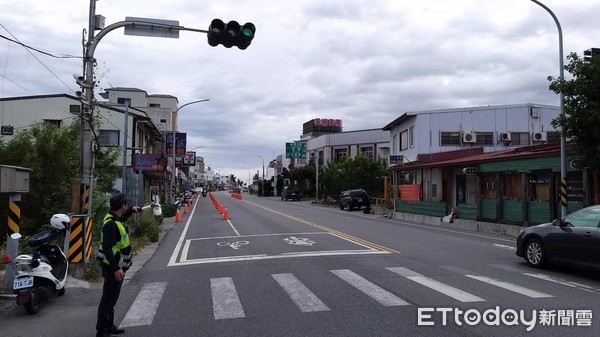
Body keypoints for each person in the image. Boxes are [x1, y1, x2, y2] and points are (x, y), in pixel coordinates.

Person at [95, 193, 141, 337]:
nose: (127, 205)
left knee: (112, 299)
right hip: (113, 267)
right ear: (122, 206)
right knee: (107, 300)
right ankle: (102, 331)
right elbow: (108, 248)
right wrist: (116, 269)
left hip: (118, 266)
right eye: (127, 204)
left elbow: (121, 220)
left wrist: (132, 210)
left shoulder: (114, 219)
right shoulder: (110, 224)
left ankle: (110, 326)